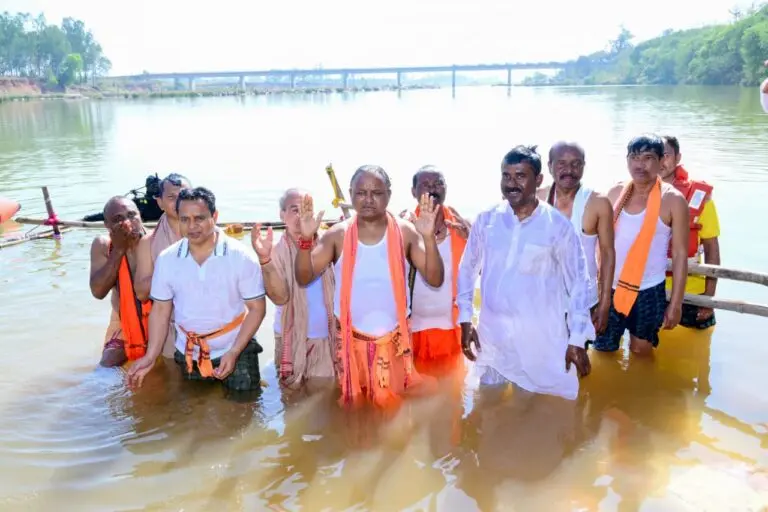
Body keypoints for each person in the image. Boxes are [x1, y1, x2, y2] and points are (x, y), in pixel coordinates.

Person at [294, 165, 444, 408]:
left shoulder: (405, 232)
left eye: (376, 192)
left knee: (396, 414)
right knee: (355, 410)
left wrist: (427, 237)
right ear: (351, 194)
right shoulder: (337, 235)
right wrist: (305, 240)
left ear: (389, 195)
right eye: (361, 193)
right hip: (351, 346)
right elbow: (304, 277)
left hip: (395, 345)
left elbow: (435, 279)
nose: (368, 200)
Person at [458, 145, 595, 401]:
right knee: (487, 403)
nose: (512, 184)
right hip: (493, 337)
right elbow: (467, 269)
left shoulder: (557, 227)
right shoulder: (487, 220)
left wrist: (577, 338)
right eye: (506, 176)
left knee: (533, 406)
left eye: (520, 176)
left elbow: (579, 284)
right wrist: (465, 319)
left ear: (539, 180)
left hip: (538, 341)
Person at [126, 187, 267, 391]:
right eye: (185, 219)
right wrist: (151, 356)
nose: (192, 226)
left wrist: (234, 352)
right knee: (193, 412)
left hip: (236, 348)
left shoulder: (241, 256)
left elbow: (257, 308)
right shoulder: (167, 259)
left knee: (243, 413)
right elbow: (160, 310)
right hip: (188, 352)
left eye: (199, 218)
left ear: (214, 216)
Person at [595, 134, 689, 356]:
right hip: (610, 287)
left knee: (641, 353)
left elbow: (680, 255)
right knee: (603, 351)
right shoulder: (615, 193)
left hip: (648, 290)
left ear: (661, 161)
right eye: (634, 158)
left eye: (648, 158)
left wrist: (675, 304)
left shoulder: (673, 200)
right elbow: (598, 241)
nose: (640, 165)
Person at [252, 187, 336, 391]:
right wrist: (265, 260)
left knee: (325, 396)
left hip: (327, 338)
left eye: (306, 210)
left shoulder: (329, 244)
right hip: (290, 339)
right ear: (282, 215)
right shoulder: (273, 251)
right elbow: (279, 298)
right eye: (294, 210)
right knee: (291, 400)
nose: (301, 217)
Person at [398, 165, 471, 376]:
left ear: (446, 188)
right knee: (415, 400)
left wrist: (474, 239)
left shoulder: (461, 227)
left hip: (451, 330)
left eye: (438, 183)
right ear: (413, 192)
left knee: (451, 398)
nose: (433, 189)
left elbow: (486, 273)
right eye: (426, 185)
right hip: (412, 332)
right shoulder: (403, 227)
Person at [537, 142, 615, 336]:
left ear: (583, 166)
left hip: (582, 301)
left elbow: (607, 253)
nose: (569, 170)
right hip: (540, 299)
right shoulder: (535, 199)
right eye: (561, 164)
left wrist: (605, 303)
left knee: (576, 359)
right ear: (549, 166)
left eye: (575, 164)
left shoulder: (598, 202)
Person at [660, 135, 720, 330]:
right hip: (651, 291)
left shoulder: (701, 198)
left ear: (678, 158)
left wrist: (708, 297)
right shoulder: (636, 194)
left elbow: (712, 246)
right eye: (655, 155)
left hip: (693, 293)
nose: (661, 160)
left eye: (666, 155)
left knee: (697, 357)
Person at [134, 173, 192, 358]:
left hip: (213, 326)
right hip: (170, 329)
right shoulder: (148, 242)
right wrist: (170, 266)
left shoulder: (209, 235)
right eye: (171, 197)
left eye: (184, 195)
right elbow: (142, 293)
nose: (178, 202)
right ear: (159, 203)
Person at [89, 196, 149, 368]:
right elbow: (98, 292)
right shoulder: (103, 245)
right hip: (123, 319)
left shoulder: (155, 240)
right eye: (118, 219)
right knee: (106, 368)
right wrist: (119, 249)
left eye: (132, 215)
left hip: (158, 316)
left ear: (141, 217)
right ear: (107, 226)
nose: (127, 222)